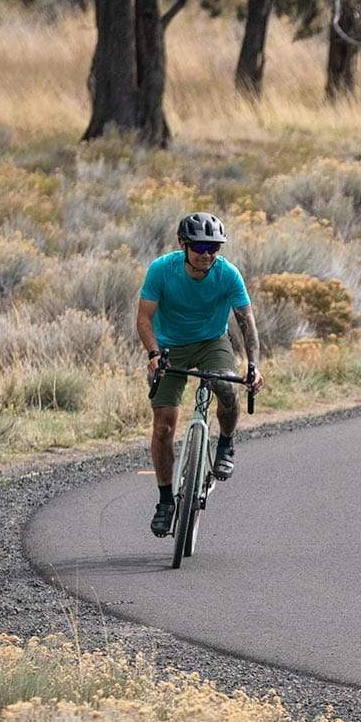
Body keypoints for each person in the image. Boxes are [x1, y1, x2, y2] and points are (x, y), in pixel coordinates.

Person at [136, 212, 263, 537]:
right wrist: (153, 354)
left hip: (211, 342)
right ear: (184, 245)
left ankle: (226, 444)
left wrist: (252, 366)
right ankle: (166, 501)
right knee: (164, 426)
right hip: (169, 346)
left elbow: (246, 322)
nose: (207, 254)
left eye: (214, 248)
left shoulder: (227, 274)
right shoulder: (162, 270)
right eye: (200, 247)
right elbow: (144, 319)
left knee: (226, 386)